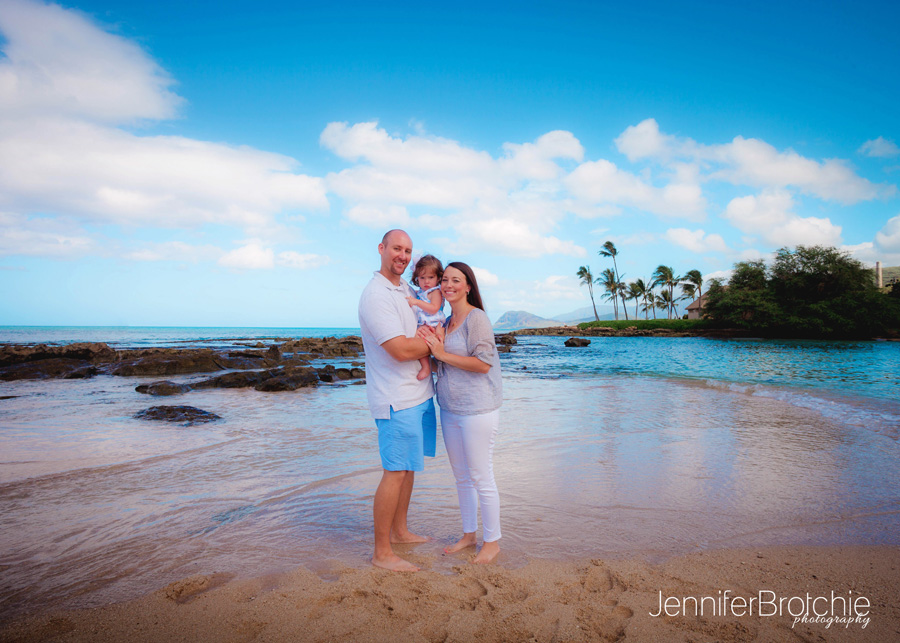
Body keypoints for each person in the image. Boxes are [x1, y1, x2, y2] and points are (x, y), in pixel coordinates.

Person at [358, 229, 436, 572]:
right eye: (396, 249)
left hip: (418, 395)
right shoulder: (376, 295)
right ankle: (382, 552)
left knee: (408, 468)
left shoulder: (405, 288)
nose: (402, 256)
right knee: (394, 471)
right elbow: (402, 349)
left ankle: (400, 532)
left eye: (407, 250)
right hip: (395, 398)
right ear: (381, 249)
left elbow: (424, 322)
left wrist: (433, 336)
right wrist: (440, 340)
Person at [420, 261, 503, 564]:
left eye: (456, 280)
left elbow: (483, 364)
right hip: (450, 409)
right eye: (444, 280)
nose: (449, 285)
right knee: (462, 478)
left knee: (482, 476)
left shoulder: (475, 318)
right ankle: (469, 536)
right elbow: (441, 364)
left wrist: (441, 353)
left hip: (478, 409)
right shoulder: (445, 322)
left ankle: (492, 541)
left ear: (468, 286)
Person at [406, 254, 446, 381]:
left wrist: (416, 302)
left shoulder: (435, 292)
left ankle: (427, 367)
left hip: (433, 324)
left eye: (430, 277)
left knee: (423, 342)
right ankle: (426, 365)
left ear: (438, 278)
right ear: (417, 278)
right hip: (423, 324)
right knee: (417, 340)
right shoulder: (419, 293)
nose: (426, 281)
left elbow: (434, 308)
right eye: (422, 278)